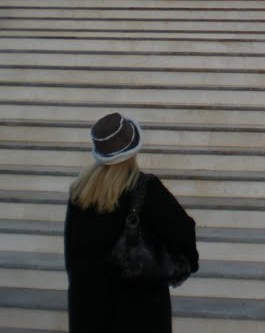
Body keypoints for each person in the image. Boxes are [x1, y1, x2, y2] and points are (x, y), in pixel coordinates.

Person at [65, 112, 198, 333]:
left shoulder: (80, 192)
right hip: (140, 307)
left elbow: (72, 253)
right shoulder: (145, 189)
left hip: (89, 308)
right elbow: (183, 230)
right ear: (133, 149)